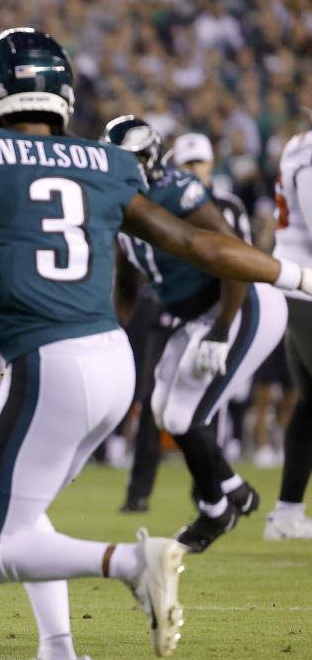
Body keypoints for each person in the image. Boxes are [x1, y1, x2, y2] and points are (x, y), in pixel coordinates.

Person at [0, 28, 312, 660]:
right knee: (29, 518)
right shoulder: (102, 163)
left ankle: (132, 563)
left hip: (49, 365)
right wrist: (299, 275)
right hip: (112, 362)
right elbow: (199, 244)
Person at [107, 123, 284, 552]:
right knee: (165, 412)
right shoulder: (119, 206)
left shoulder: (178, 191)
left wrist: (223, 328)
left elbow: (230, 254)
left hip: (240, 302)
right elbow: (127, 283)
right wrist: (108, 334)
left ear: (151, 161)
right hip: (196, 317)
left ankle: (216, 510)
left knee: (186, 417)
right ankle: (233, 489)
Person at [265, 122, 312, 539]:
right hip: (306, 285)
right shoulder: (308, 153)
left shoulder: (298, 145)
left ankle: (286, 513)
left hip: (294, 282)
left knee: (309, 404)